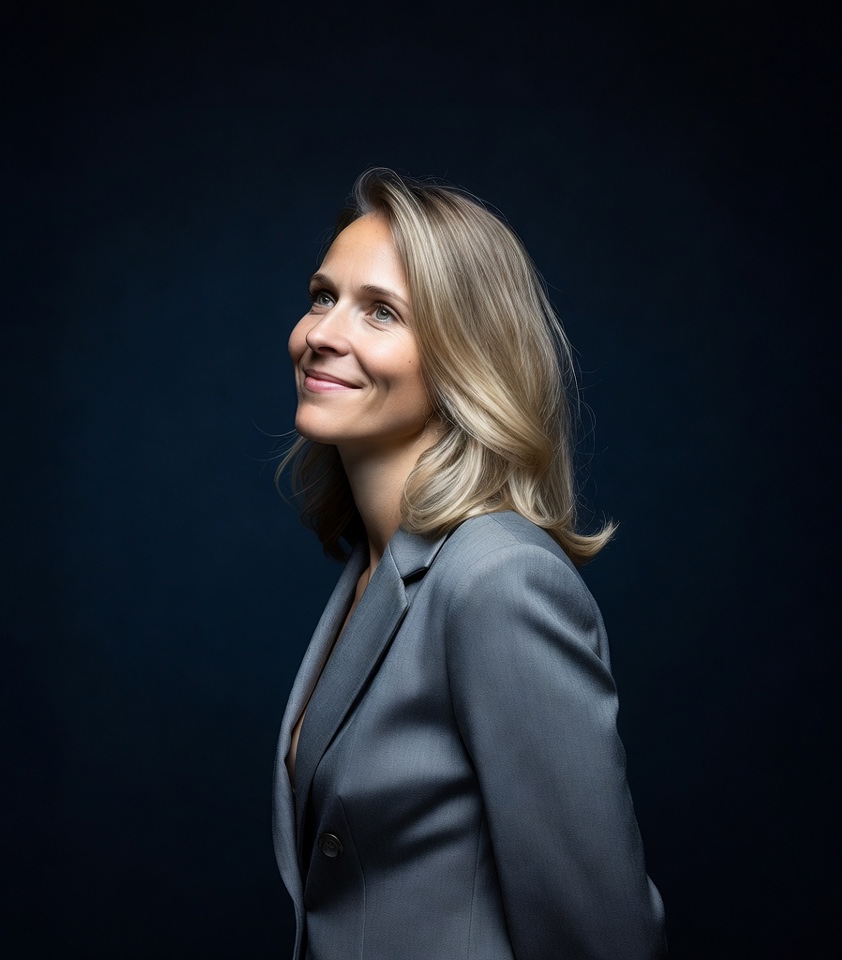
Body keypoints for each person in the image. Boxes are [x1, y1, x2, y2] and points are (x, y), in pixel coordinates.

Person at [272, 168, 666, 959]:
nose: (323, 333)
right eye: (322, 296)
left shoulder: (497, 578)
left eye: (381, 311)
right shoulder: (376, 569)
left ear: (464, 357)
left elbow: (605, 937)